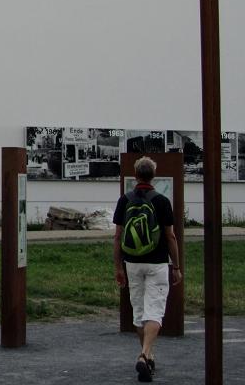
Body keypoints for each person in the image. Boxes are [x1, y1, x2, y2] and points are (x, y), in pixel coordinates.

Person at [113, 156, 182, 382]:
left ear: (135, 175)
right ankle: (144, 355)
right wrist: (176, 266)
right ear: (153, 175)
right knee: (155, 310)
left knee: (139, 311)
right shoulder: (161, 201)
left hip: (132, 262)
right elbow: (170, 236)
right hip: (157, 262)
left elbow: (117, 236)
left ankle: (148, 355)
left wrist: (118, 267)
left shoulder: (125, 200)